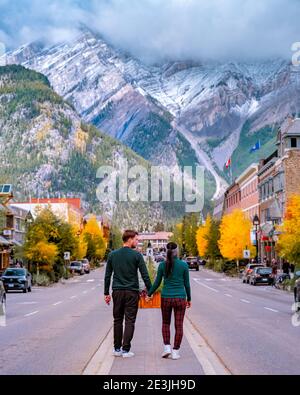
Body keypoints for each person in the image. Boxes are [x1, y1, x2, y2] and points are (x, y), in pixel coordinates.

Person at [104, 230, 152, 358]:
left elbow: (107, 275)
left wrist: (106, 293)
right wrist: (150, 291)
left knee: (117, 320)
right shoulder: (137, 256)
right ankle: (126, 350)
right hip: (131, 292)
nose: (137, 242)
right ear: (130, 239)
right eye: (136, 239)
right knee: (130, 320)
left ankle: (117, 349)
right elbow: (145, 275)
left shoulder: (112, 255)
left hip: (117, 291)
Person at [147, 242, 191, 360]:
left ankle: (167, 347)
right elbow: (187, 284)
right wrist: (189, 299)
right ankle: (175, 351)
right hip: (180, 298)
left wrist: (149, 293)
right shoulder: (183, 265)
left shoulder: (162, 265)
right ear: (177, 251)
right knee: (179, 325)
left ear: (166, 251)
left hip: (166, 297)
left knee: (166, 323)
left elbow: (157, 283)